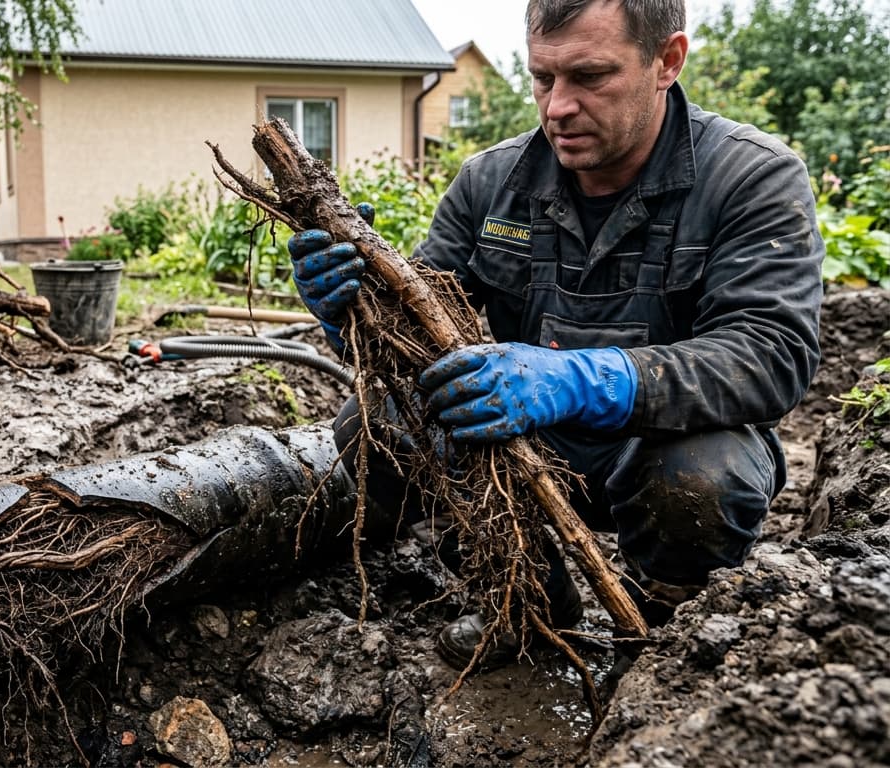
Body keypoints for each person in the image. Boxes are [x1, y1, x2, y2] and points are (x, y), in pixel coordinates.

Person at [288, 0, 823, 667]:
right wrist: (353, 313)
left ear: (668, 61)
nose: (557, 107)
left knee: (703, 478)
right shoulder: (491, 183)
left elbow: (770, 355)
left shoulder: (751, 177)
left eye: (589, 76)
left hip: (667, 447)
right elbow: (415, 342)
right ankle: (528, 602)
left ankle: (669, 632)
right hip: (530, 450)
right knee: (384, 423)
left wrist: (583, 378)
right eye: (543, 78)